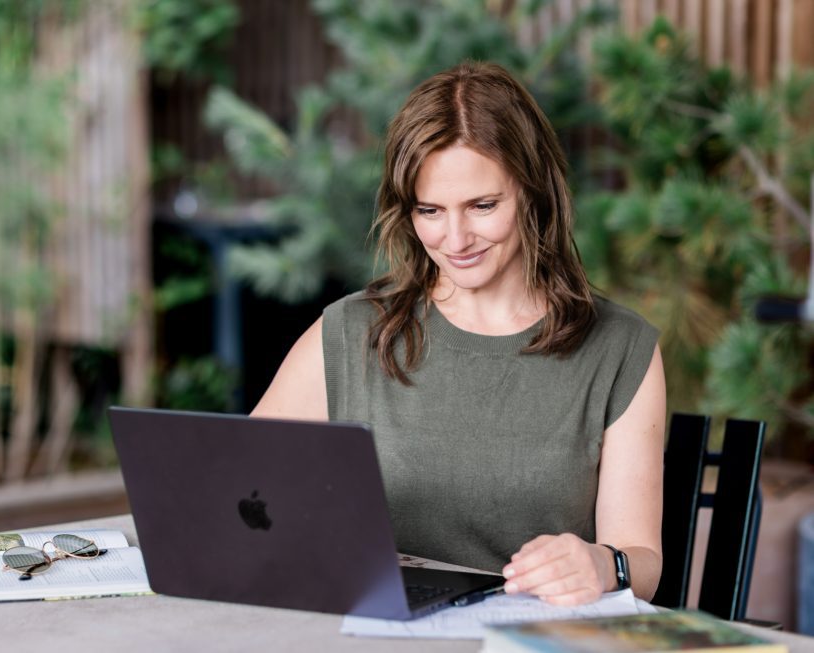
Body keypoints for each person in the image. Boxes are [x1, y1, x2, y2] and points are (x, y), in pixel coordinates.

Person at [251, 61, 666, 607]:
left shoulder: (619, 348)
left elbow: (642, 560)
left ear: (534, 191)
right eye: (429, 210)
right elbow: (240, 493)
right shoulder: (351, 332)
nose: (455, 239)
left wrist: (603, 564)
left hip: (530, 635)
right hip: (370, 631)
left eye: (482, 206)